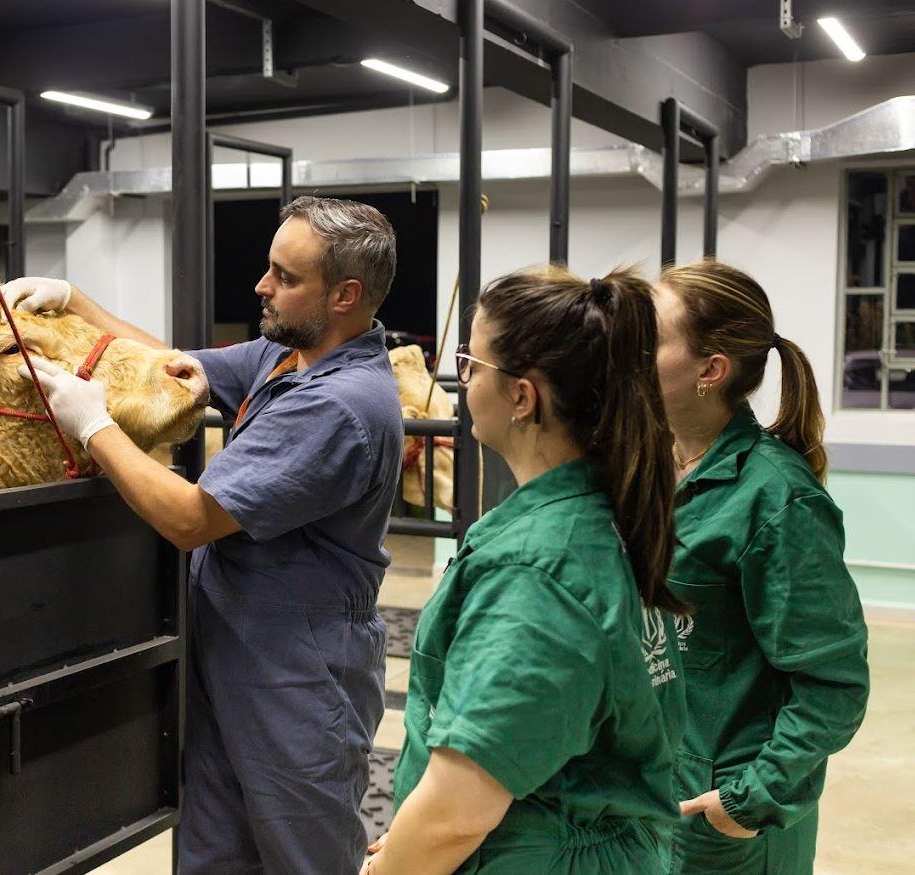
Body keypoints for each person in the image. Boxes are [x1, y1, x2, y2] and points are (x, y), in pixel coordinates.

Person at [0, 195, 404, 874]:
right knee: (212, 851)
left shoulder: (338, 405)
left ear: (345, 295)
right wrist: (73, 300)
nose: (262, 286)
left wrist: (94, 427)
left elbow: (189, 518)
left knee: (303, 855)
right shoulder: (285, 358)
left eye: (285, 277)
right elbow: (167, 364)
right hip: (233, 652)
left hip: (298, 673)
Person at [367, 266, 688, 875]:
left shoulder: (538, 572)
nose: (462, 381)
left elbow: (457, 814)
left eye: (470, 364)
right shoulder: (599, 513)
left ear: (522, 397)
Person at [653, 261, 869, 874]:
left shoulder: (778, 499)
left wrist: (750, 799)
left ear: (710, 370)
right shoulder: (654, 467)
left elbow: (834, 683)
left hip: (724, 820)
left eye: (648, 338)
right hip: (656, 792)